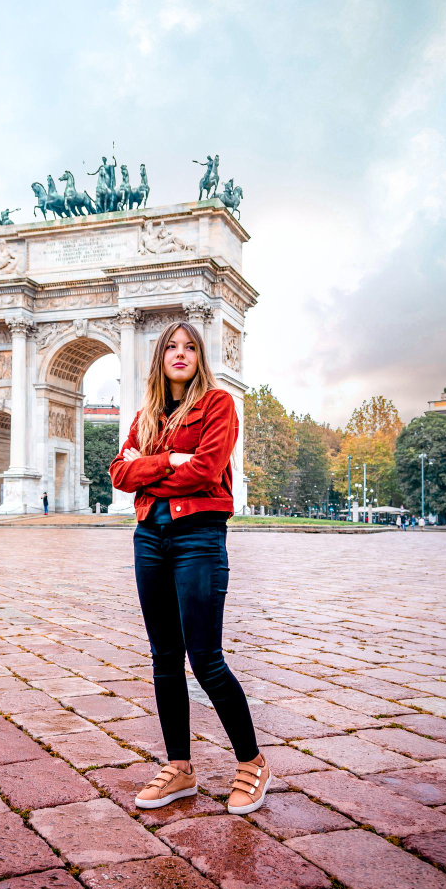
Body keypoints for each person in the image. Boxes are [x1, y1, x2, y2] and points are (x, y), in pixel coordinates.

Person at [110, 322, 270, 816]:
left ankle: (253, 761)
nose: (181, 354)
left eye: (191, 348)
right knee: (164, 658)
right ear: (159, 358)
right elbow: (119, 473)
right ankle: (180, 766)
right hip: (149, 540)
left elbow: (206, 468)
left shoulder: (220, 404)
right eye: (171, 348)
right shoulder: (145, 415)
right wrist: (169, 460)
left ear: (201, 357)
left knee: (205, 659)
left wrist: (150, 466)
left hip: (199, 537)